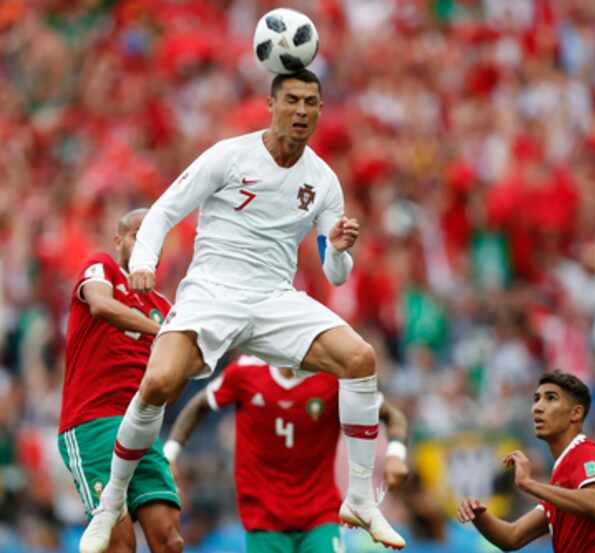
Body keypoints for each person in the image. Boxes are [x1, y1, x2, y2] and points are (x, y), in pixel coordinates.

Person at [80, 69, 405, 552]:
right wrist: (144, 264)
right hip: (211, 292)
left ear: (319, 110)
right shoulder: (230, 155)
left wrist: (336, 249)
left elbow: (336, 274)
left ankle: (360, 498)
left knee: (360, 359)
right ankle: (111, 505)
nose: (301, 111)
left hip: (274, 297)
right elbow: (166, 210)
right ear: (270, 105)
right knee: (158, 384)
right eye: (291, 100)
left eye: (310, 102)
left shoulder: (322, 180)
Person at [163, 354, 410, 553]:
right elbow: (199, 405)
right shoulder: (245, 373)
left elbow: (392, 415)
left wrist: (396, 453)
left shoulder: (333, 379)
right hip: (264, 520)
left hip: (319, 516)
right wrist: (171, 454)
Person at [59, 209, 183, 553]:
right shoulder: (102, 268)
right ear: (119, 241)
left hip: (141, 427)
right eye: (136, 234)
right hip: (92, 422)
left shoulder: (165, 306)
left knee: (170, 540)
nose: (145, 243)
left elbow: (172, 387)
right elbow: (100, 306)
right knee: (119, 545)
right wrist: (163, 331)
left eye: (153, 237)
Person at [457, 371, 595, 552]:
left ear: (576, 413)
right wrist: (479, 517)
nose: (537, 407)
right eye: (536, 399)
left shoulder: (585, 451)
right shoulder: (559, 485)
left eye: (551, 398)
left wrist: (528, 483)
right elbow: (513, 536)